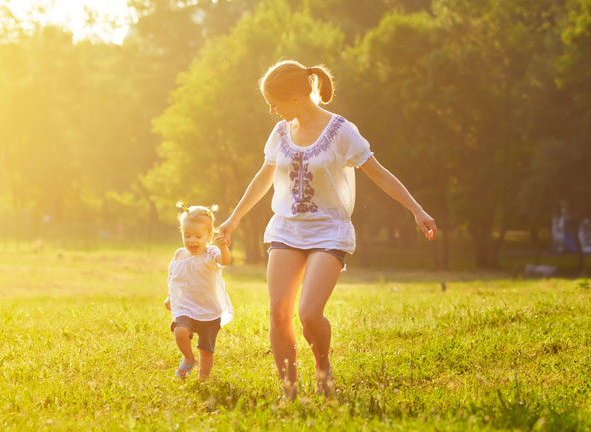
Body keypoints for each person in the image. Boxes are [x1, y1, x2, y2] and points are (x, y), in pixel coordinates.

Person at [216, 60, 437, 400]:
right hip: (286, 229)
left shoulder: (341, 132)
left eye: (274, 101)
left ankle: (323, 369)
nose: (271, 109)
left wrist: (416, 210)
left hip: (329, 231)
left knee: (308, 313)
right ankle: (289, 391)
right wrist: (234, 218)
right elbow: (264, 178)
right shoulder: (279, 133)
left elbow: (379, 173)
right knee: (278, 312)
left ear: (293, 96)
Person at [165, 202, 234, 381]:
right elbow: (175, 278)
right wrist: (170, 297)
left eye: (198, 236)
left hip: (208, 310)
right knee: (180, 331)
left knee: (206, 350)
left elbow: (225, 261)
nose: (192, 241)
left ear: (209, 236)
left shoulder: (210, 253)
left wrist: (223, 248)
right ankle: (188, 357)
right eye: (187, 236)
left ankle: (203, 379)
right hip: (186, 307)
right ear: (182, 234)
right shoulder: (179, 255)